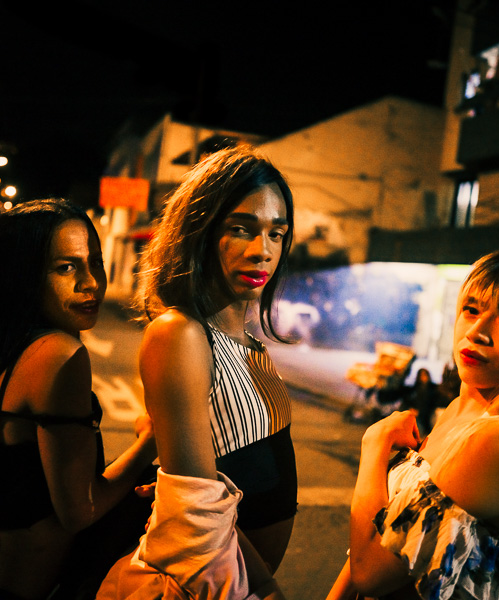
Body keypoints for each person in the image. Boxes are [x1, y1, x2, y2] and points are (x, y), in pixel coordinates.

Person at [0, 198, 158, 600]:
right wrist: (150, 442)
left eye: (96, 262)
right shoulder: (59, 355)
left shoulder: (9, 344)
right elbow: (80, 509)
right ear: (23, 277)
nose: (90, 282)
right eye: (66, 267)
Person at [327, 243, 499, 600]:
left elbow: (371, 573)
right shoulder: (458, 411)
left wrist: (375, 443)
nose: (477, 331)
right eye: (471, 309)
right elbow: (387, 531)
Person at [97, 146, 296, 599]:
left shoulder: (249, 342)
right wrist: (268, 591)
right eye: (240, 229)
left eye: (276, 234)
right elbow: (197, 514)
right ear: (200, 232)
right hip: (213, 583)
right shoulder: (180, 334)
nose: (261, 251)